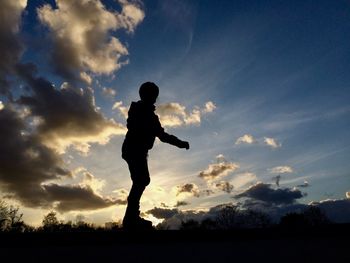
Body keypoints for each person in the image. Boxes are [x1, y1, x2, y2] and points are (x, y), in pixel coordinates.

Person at [122, 82, 190, 229]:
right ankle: (131, 219)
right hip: (133, 149)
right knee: (141, 180)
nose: (154, 98)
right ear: (145, 95)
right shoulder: (138, 110)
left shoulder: (151, 116)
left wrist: (180, 143)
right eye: (152, 95)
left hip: (138, 151)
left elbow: (162, 135)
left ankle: (131, 217)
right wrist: (147, 128)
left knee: (141, 181)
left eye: (154, 95)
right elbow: (132, 125)